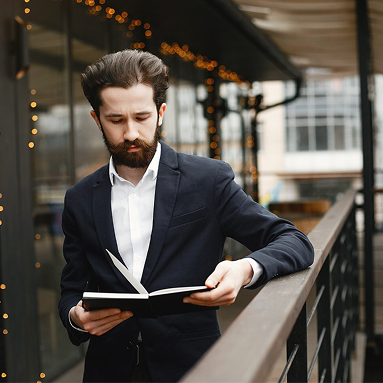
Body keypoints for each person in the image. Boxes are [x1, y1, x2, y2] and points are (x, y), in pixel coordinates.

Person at [58, 49, 314, 383]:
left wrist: (243, 269)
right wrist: (76, 317)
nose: (131, 132)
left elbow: (295, 241)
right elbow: (70, 290)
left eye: (141, 117)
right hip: (108, 371)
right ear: (97, 119)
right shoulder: (79, 199)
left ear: (161, 113)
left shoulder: (207, 180)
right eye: (116, 120)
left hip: (194, 369)